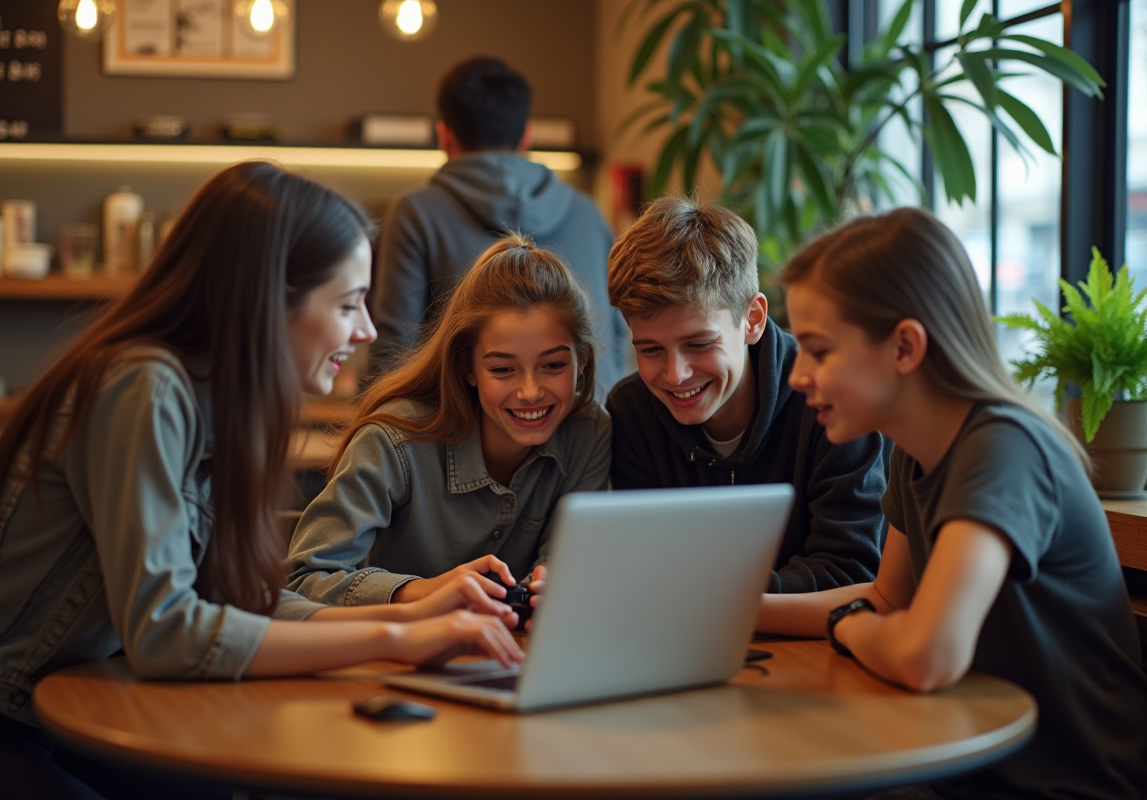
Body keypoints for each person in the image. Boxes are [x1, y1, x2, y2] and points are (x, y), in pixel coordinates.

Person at [0, 162, 522, 800]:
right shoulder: (144, 386)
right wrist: (400, 640)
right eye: (347, 303)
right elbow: (167, 631)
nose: (366, 331)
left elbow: (232, 604)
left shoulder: (219, 401)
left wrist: (409, 607)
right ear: (269, 299)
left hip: (71, 700)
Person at [761, 206, 1147, 799]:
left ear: (905, 347)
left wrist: (850, 628)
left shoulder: (1003, 448)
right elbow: (889, 597)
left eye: (819, 350)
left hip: (1066, 787)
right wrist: (738, 609)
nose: (797, 375)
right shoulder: (915, 452)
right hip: (976, 767)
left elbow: (927, 657)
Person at [288, 234, 610, 611]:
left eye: (553, 365)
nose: (530, 392)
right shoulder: (393, 442)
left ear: (582, 361)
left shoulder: (589, 433)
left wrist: (555, 582)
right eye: (503, 369)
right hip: (393, 658)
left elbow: (565, 562)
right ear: (467, 369)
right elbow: (305, 579)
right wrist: (425, 591)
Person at [604, 196, 886, 592]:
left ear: (752, 319)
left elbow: (850, 571)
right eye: (649, 349)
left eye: (699, 344)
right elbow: (646, 566)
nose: (675, 374)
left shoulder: (833, 401)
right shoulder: (632, 411)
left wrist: (708, 597)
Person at [369, 55, 627, 396]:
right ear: (526, 136)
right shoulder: (590, 214)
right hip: (592, 439)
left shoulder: (415, 213)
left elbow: (394, 356)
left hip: (466, 444)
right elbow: (619, 341)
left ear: (444, 135)